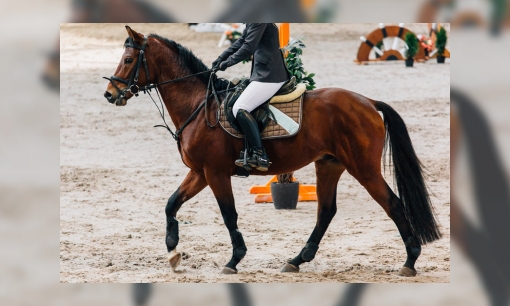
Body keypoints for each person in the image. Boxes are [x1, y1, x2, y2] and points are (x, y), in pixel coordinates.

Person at [212, 23, 290, 171]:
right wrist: (221, 58)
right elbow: (242, 40)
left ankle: (260, 154)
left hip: (270, 75)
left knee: (240, 108)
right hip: (263, 72)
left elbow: (249, 47)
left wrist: (227, 63)